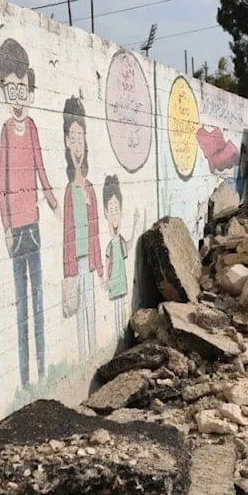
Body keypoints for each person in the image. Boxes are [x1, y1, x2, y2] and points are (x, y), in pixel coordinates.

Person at [0, 38, 58, 386]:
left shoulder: (33, 127)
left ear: (30, 92)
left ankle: (42, 366)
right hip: (16, 230)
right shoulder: (6, 131)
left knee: (38, 301)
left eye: (23, 90)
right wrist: (5, 225)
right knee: (20, 304)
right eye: (12, 90)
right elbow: (2, 179)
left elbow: (40, 167)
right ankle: (22, 376)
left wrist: (52, 201)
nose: (18, 97)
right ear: (4, 90)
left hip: (33, 224)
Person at [62, 96, 103, 358]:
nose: (78, 145)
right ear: (67, 141)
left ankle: (92, 355)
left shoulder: (89, 189)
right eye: (73, 138)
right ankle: (86, 356)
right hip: (75, 264)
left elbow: (96, 231)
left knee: (91, 310)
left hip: (89, 262)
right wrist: (68, 272)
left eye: (81, 139)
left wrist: (99, 266)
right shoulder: (69, 190)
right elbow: (67, 233)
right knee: (79, 315)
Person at [102, 175, 139, 339]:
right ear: (106, 213)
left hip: (121, 279)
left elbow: (129, 246)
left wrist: (136, 223)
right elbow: (107, 260)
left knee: (121, 307)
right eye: (112, 211)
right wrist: (105, 279)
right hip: (114, 280)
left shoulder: (120, 241)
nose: (115, 215)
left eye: (117, 210)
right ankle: (118, 336)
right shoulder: (111, 244)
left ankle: (123, 335)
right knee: (116, 306)